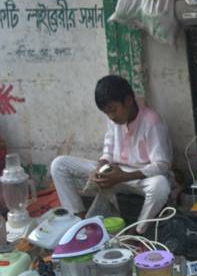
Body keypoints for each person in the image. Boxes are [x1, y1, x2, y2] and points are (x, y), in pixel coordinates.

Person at [51, 75, 173, 234]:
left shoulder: (152, 122)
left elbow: (162, 165)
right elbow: (108, 151)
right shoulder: (115, 120)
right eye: (106, 113)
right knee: (59, 165)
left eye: (113, 110)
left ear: (128, 101)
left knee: (160, 186)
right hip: (114, 173)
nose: (111, 117)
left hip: (140, 178)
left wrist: (124, 176)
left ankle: (137, 231)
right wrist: (100, 168)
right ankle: (80, 222)